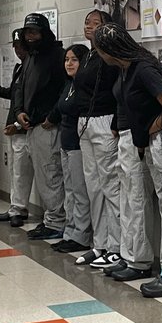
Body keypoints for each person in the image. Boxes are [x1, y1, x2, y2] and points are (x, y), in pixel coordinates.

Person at [93, 23, 162, 282]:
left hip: (150, 140)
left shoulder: (143, 68)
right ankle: (132, 257)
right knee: (130, 200)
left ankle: (146, 263)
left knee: (143, 201)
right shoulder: (125, 69)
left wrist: (150, 129)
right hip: (132, 138)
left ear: (109, 49)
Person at [73, 10, 121, 269]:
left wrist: (116, 121)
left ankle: (117, 246)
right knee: (93, 187)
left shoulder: (111, 56)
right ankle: (100, 243)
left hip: (104, 120)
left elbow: (117, 92)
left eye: (96, 23)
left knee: (110, 186)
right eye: (87, 22)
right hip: (85, 122)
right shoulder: (89, 55)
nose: (89, 26)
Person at [13, 14, 66, 239]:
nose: (30, 36)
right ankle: (51, 219)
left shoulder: (58, 56)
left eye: (34, 32)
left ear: (44, 32)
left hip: (48, 126)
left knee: (51, 174)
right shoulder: (30, 57)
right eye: (27, 32)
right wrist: (19, 111)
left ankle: (56, 221)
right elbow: (20, 88)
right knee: (44, 177)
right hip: (32, 125)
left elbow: (65, 90)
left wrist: (52, 117)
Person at [0, 29, 34, 227]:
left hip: (26, 128)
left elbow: (34, 101)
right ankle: (16, 207)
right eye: (16, 46)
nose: (18, 50)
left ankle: (18, 209)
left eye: (21, 46)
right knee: (15, 171)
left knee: (22, 172)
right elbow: (13, 94)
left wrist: (18, 125)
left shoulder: (34, 69)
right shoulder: (19, 68)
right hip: (15, 128)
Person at [47, 44, 94, 255]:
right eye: (67, 60)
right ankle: (71, 230)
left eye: (74, 60)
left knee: (80, 192)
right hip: (65, 144)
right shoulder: (69, 85)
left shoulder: (84, 87)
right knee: (70, 191)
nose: (69, 63)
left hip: (78, 145)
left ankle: (81, 235)